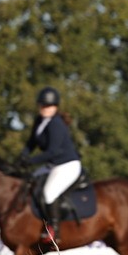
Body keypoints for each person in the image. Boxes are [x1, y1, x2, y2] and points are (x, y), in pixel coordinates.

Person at [21, 86, 82, 241]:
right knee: (29, 183)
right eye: (44, 105)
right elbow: (31, 142)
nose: (46, 109)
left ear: (55, 107)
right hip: (53, 165)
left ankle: (55, 231)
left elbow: (53, 152)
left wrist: (31, 161)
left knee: (49, 194)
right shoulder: (39, 120)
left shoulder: (56, 124)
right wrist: (22, 156)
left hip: (67, 165)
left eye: (50, 106)